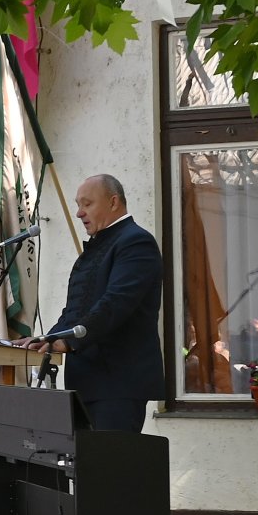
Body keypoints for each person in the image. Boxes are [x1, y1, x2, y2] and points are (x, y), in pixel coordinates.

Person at [24, 174, 167, 432]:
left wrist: (68, 341)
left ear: (114, 202)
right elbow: (76, 310)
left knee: (109, 469)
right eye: (78, 205)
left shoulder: (136, 242)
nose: (79, 213)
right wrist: (46, 339)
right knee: (85, 470)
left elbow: (115, 304)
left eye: (87, 204)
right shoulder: (98, 246)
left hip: (118, 384)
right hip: (86, 382)